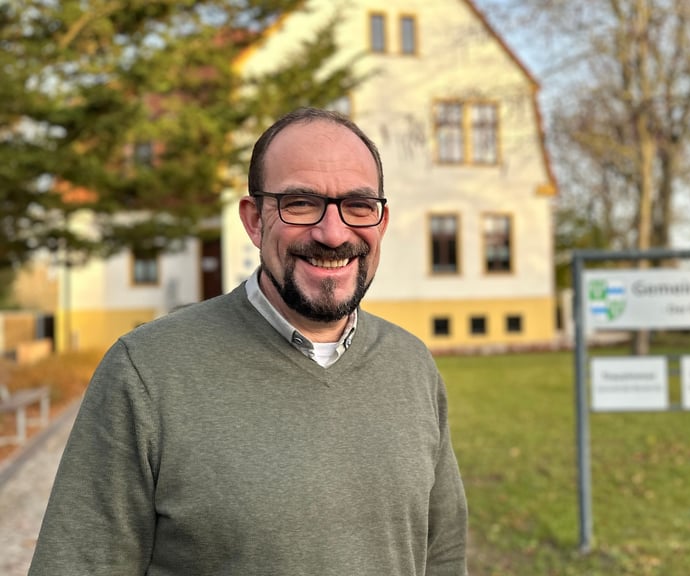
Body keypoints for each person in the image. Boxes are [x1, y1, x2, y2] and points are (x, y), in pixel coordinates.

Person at [29, 107, 469, 575]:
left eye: (359, 206)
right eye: (300, 203)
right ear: (255, 220)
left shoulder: (412, 366)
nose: (333, 232)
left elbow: (442, 554)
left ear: (380, 222)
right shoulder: (146, 374)